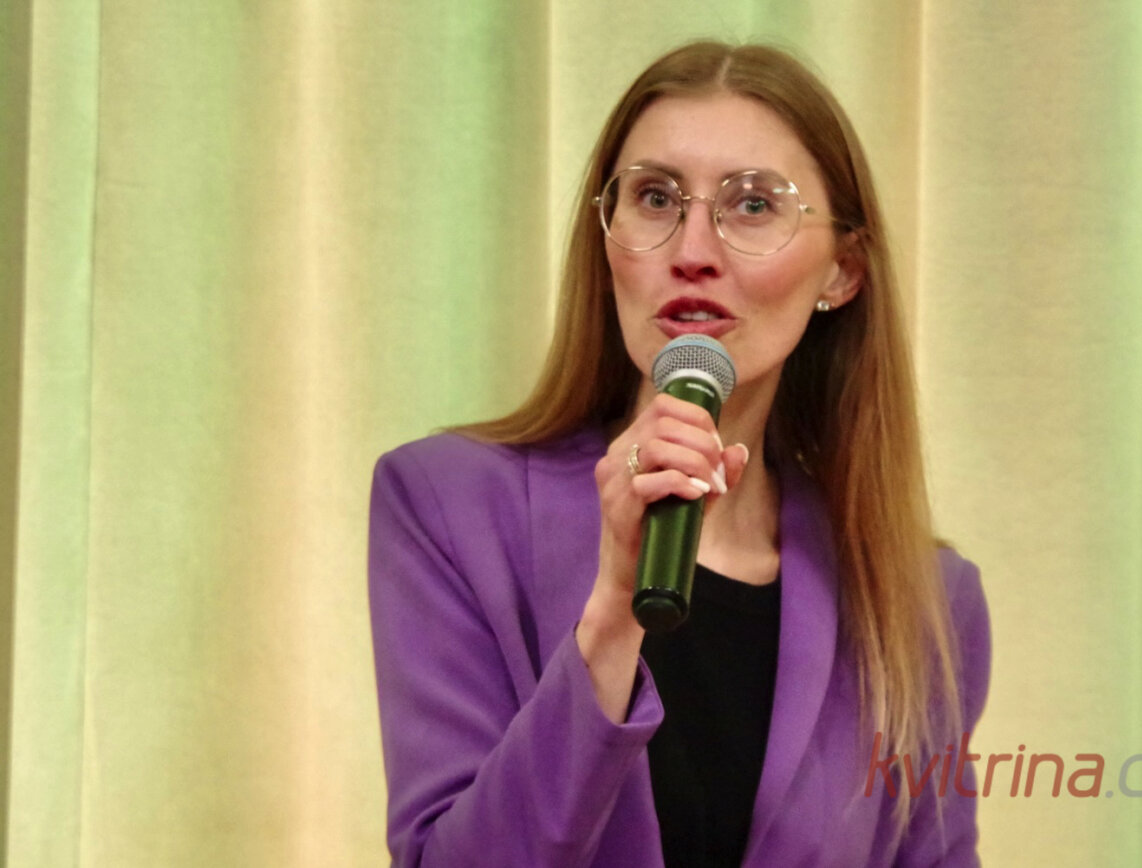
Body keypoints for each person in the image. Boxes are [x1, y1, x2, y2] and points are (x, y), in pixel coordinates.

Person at [368, 40, 991, 867]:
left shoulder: (923, 603)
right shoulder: (449, 508)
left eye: (753, 204)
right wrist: (610, 621)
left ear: (842, 271)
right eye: (655, 198)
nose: (692, 250)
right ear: (606, 243)